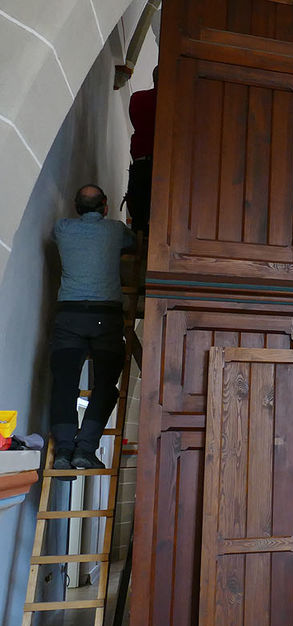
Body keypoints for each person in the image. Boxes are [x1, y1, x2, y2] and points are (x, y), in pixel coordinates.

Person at [51, 185, 134, 477]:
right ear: (106, 207)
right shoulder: (114, 231)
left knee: (64, 385)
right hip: (105, 318)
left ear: (75, 207)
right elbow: (132, 242)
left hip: (68, 317)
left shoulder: (61, 229)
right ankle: (85, 450)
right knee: (106, 384)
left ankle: (62, 452)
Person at [125, 66, 157, 231]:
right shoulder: (176, 101)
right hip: (166, 164)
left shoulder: (138, 98)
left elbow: (135, 121)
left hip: (142, 161)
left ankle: (138, 237)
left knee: (139, 212)